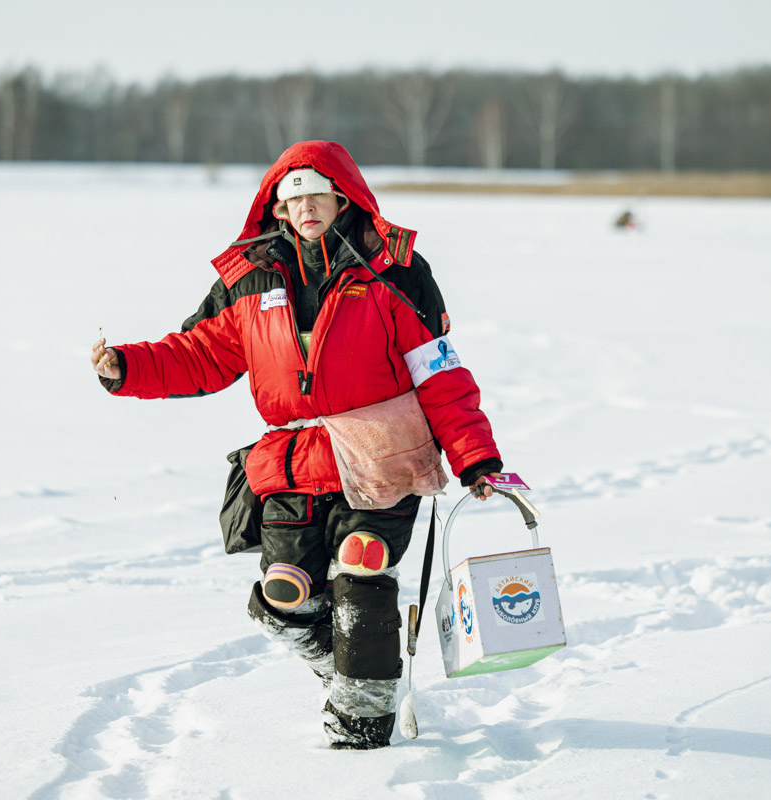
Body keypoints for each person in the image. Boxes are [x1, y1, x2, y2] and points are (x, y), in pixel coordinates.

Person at [90, 140, 505, 750]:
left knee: (363, 565)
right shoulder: (252, 278)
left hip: (380, 457)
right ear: (277, 208)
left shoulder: (395, 271)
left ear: (343, 195)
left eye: (315, 192)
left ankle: (363, 730)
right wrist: (126, 368)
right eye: (292, 196)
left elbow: (440, 375)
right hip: (292, 464)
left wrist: (477, 459)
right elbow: (201, 354)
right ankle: (354, 673)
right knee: (286, 591)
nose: (305, 205)